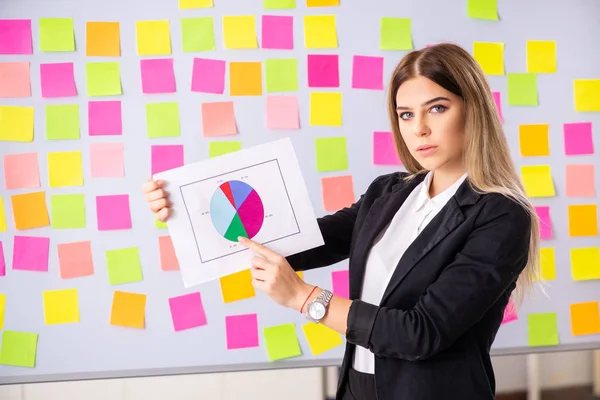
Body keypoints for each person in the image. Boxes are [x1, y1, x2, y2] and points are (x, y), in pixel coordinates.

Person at [142, 43, 540, 400]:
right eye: (405, 114)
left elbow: (422, 332)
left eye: (437, 108)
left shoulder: (502, 216)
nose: (419, 128)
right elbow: (301, 241)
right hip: (358, 388)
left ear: (474, 108)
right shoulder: (389, 192)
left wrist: (303, 298)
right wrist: (185, 210)